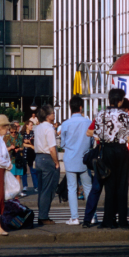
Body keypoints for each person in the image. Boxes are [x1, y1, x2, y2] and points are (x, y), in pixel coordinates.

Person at [93, 88, 129, 229]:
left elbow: (97, 136)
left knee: (109, 187)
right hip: (121, 150)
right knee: (122, 187)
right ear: (120, 100)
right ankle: (123, 220)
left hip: (107, 151)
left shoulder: (100, 114)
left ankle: (108, 220)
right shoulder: (124, 115)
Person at [59, 95, 93, 225]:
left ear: (70, 108)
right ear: (81, 107)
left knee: (71, 188)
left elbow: (62, 143)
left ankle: (74, 217)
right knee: (88, 187)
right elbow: (91, 141)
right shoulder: (88, 122)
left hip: (70, 158)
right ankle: (92, 215)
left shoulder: (66, 123)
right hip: (85, 159)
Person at [34, 104, 60, 226]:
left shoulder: (38, 127)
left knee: (41, 189)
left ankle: (41, 214)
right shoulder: (49, 129)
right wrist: (56, 162)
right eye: (53, 114)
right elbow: (52, 148)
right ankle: (43, 216)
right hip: (47, 158)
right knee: (48, 189)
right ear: (48, 116)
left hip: (38, 157)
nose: (54, 115)